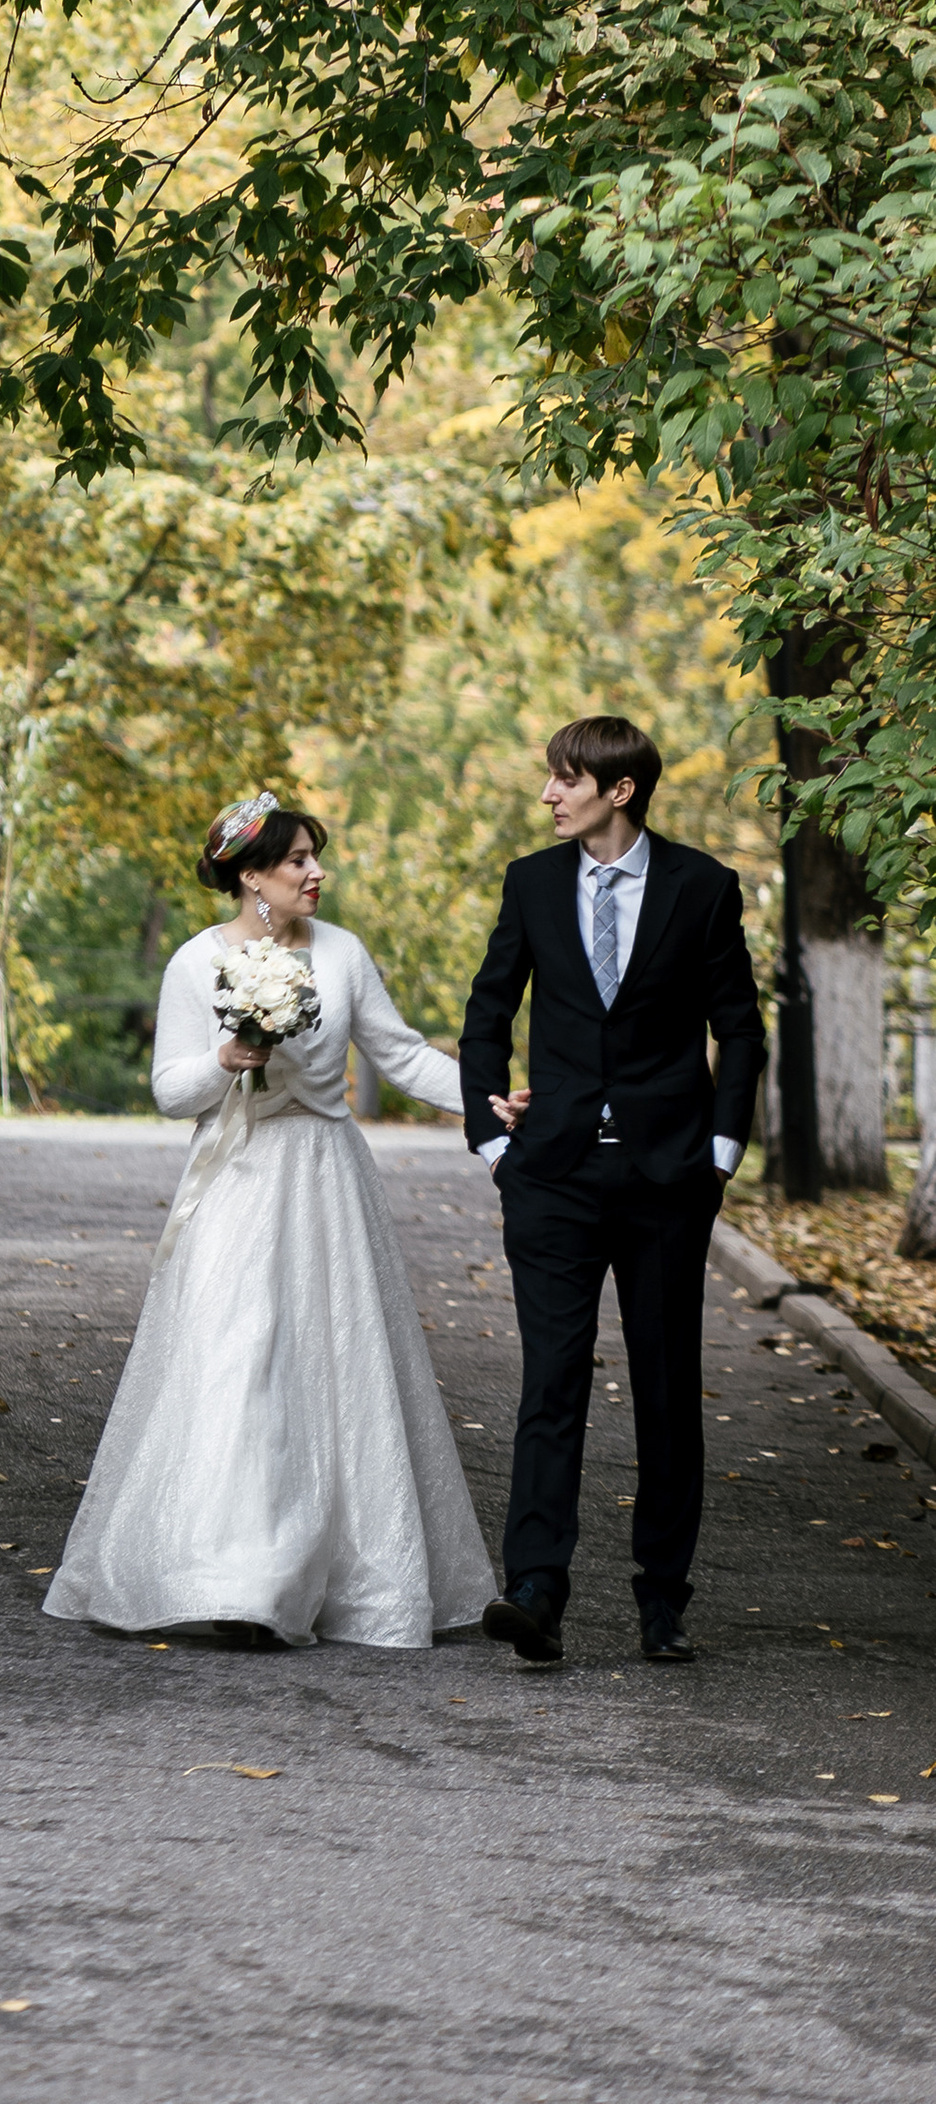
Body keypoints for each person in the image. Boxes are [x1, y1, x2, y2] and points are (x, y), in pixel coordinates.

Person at [44, 793, 493, 1651]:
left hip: (325, 1176)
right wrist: (225, 1057)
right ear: (252, 877)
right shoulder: (194, 963)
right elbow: (172, 1092)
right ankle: (237, 1578)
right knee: (238, 1361)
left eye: (316, 859)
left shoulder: (344, 953)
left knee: (334, 1366)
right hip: (238, 1181)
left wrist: (487, 1108)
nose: (316, 874)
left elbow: (398, 1054)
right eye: (298, 862)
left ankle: (332, 1578)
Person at [459, 713, 765, 1669]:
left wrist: (718, 1154)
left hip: (668, 1181)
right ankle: (536, 1591)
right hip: (550, 1178)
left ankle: (663, 1600)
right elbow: (487, 1011)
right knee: (551, 1383)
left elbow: (740, 1029)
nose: (549, 793)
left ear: (617, 790)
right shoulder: (532, 882)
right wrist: (488, 1141)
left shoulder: (703, 888)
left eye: (564, 779)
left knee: (668, 1390)